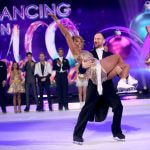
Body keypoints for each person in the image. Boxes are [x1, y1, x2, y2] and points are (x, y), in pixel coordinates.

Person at [49, 13, 138, 144]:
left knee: (118, 105)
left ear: (103, 41)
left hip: (106, 82)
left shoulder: (95, 53)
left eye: (80, 42)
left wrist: (118, 72)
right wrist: (57, 21)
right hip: (94, 82)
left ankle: (117, 132)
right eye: (76, 42)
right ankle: (77, 135)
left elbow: (109, 65)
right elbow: (67, 36)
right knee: (87, 109)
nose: (78, 44)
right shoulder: (79, 54)